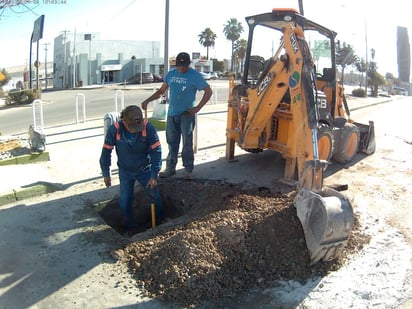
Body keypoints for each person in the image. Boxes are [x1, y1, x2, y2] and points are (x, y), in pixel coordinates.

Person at [141, 52, 213, 179]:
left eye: (184, 66)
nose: (181, 68)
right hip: (172, 113)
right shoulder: (171, 74)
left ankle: (188, 169)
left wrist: (197, 108)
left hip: (187, 114)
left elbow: (208, 91)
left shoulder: (195, 76)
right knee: (172, 142)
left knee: (187, 143)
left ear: (189, 64)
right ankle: (170, 168)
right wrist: (147, 100)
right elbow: (161, 91)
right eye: (179, 65)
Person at [99, 105, 164, 229]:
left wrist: (154, 174)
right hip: (125, 170)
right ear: (124, 121)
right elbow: (106, 152)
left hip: (145, 168)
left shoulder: (148, 128)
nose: (136, 130)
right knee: (125, 200)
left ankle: (160, 222)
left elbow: (156, 152)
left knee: (154, 195)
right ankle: (130, 226)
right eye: (132, 127)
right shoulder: (115, 130)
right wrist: (106, 173)